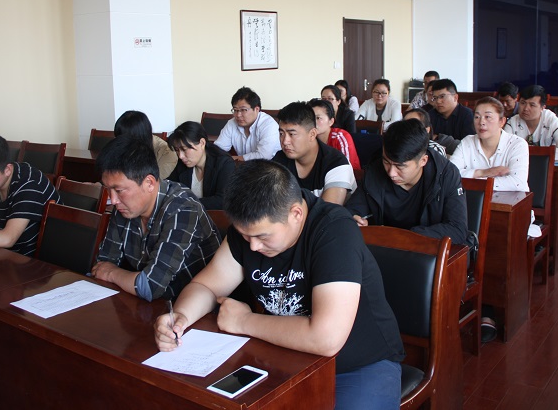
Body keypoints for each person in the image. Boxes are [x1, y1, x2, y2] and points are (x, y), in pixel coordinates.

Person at [153, 160, 404, 409]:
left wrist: (243, 321)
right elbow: (207, 286)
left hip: (358, 364)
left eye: (262, 236)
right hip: (287, 356)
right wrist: (181, 317)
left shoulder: (334, 231)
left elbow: (326, 338)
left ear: (296, 214)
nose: (253, 246)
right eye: (245, 236)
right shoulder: (250, 230)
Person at [92, 136, 220, 301]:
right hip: (143, 303)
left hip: (188, 306)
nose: (113, 200)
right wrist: (114, 273)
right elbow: (102, 265)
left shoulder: (182, 208)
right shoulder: (124, 207)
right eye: (108, 189)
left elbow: (150, 286)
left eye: (119, 190)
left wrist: (112, 273)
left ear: (149, 183)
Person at [346, 119, 469, 246]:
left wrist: (405, 237)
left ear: (423, 161)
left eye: (400, 166)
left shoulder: (445, 175)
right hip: (385, 248)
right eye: (386, 162)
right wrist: (354, 219)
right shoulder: (375, 169)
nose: (391, 173)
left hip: (425, 249)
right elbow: (351, 211)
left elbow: (457, 229)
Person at [272, 102, 357, 205]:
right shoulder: (280, 159)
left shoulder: (336, 163)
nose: (285, 141)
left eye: (292, 134)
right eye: (281, 133)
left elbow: (329, 211)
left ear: (312, 134)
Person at [505, 84, 558, 191]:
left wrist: (531, 155)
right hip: (522, 172)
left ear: (542, 108)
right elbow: (504, 151)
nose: (526, 109)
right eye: (523, 103)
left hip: (551, 174)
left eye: (532, 105)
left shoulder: (552, 120)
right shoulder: (513, 122)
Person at [450, 97, 530, 192]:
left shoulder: (517, 144)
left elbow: (517, 183)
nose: (481, 122)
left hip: (511, 200)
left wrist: (472, 181)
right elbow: (450, 174)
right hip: (474, 200)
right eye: (477, 117)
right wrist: (482, 172)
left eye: (488, 117)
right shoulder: (467, 142)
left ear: (502, 121)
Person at [166, 121, 235, 211]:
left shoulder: (224, 164)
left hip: (214, 218)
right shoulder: (182, 163)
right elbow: (169, 187)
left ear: (202, 143)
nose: (180, 156)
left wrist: (185, 203)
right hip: (190, 216)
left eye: (184, 149)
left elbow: (222, 200)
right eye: (177, 150)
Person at [215, 86, 281, 161]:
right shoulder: (232, 123)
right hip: (243, 166)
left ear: (256, 109)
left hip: (270, 166)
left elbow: (263, 156)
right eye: (235, 110)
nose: (238, 115)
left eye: (243, 110)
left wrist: (234, 159)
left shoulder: (269, 125)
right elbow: (217, 149)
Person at [114, 110, 178, 180]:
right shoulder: (119, 147)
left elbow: (153, 182)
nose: (121, 142)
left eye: (125, 139)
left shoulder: (166, 152)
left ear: (139, 137)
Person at [307, 98, 361, 170]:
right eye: (311, 118)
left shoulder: (340, 137)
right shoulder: (308, 138)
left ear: (331, 121)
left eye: (318, 118)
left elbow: (346, 169)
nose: (313, 122)